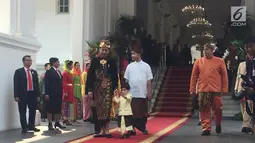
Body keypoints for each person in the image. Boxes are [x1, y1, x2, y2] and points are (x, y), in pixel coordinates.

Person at [190, 43, 228, 136]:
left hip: (216, 89)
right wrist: (192, 89)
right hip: (203, 89)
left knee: (218, 108)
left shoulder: (220, 61)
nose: (204, 51)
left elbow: (224, 76)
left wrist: (225, 88)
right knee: (204, 109)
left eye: (207, 49)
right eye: (204, 49)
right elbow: (194, 76)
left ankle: (218, 123)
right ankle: (206, 128)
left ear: (212, 50)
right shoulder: (198, 62)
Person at [86, 40, 118, 138]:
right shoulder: (95, 61)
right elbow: (90, 76)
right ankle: (101, 130)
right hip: (97, 88)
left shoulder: (112, 61)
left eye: (106, 50)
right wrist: (89, 90)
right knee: (98, 109)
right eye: (103, 50)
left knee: (107, 109)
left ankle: (107, 130)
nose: (104, 52)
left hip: (108, 88)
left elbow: (115, 76)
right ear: (100, 50)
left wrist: (115, 88)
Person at [124, 45, 153, 135]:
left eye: (134, 53)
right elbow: (126, 80)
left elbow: (148, 81)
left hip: (142, 93)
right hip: (131, 94)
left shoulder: (146, 66)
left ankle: (142, 127)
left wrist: (149, 92)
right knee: (130, 113)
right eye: (131, 53)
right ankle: (130, 129)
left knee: (142, 113)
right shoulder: (129, 66)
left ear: (139, 54)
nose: (132, 55)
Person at [14, 55, 40, 133]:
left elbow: (36, 84)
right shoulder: (19, 71)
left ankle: (31, 126)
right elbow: (16, 84)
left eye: (30, 60)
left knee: (32, 111)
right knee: (22, 111)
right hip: (22, 94)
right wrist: (16, 95)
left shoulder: (34, 72)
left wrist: (38, 95)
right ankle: (24, 127)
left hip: (32, 94)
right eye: (28, 60)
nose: (29, 61)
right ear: (24, 62)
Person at [45, 57, 66, 130]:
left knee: (58, 108)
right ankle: (50, 123)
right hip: (51, 93)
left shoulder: (59, 71)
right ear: (53, 63)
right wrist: (46, 93)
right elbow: (47, 83)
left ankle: (57, 122)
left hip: (58, 93)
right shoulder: (49, 72)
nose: (59, 63)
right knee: (50, 109)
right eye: (57, 62)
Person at [62, 60, 74, 126]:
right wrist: (65, 92)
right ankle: (65, 119)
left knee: (70, 105)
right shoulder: (65, 73)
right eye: (72, 65)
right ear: (68, 65)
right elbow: (64, 83)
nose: (72, 66)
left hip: (70, 90)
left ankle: (69, 119)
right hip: (67, 91)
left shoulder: (70, 73)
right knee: (66, 106)